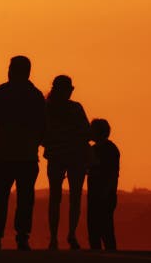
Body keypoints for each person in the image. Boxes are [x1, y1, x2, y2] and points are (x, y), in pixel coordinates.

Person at [0, 56, 46, 250]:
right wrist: (37, 143)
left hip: (5, 155)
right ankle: (22, 235)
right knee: (25, 198)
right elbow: (43, 126)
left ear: (13, 71)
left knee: (1, 195)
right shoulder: (35, 95)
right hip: (27, 156)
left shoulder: (1, 92)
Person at [43, 75, 91, 250]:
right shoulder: (75, 108)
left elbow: (41, 133)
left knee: (55, 198)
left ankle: (54, 237)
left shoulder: (46, 108)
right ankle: (71, 234)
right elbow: (87, 131)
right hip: (76, 156)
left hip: (56, 156)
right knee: (75, 198)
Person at [87, 119, 120, 251]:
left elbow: (112, 173)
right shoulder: (100, 149)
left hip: (104, 194)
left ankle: (107, 256)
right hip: (97, 194)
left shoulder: (109, 150)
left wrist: (106, 192)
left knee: (104, 228)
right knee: (95, 229)